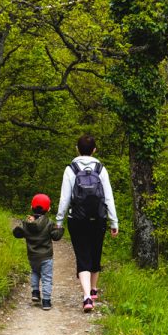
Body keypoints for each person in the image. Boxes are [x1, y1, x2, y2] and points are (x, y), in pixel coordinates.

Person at [56, 134, 118, 312]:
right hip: (99, 218)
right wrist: (114, 222)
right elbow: (108, 198)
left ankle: (86, 297)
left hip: (77, 219)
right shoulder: (101, 169)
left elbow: (65, 198)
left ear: (77, 149)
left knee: (82, 255)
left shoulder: (71, 169)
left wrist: (59, 221)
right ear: (94, 150)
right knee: (95, 251)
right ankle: (93, 288)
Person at [12, 193, 64, 310]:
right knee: (47, 278)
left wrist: (22, 224)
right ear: (49, 209)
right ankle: (46, 301)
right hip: (46, 256)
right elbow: (55, 237)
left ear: (31, 207)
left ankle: (35, 292)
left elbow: (17, 233)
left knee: (35, 272)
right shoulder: (49, 223)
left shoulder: (27, 223)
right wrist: (60, 229)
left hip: (32, 256)